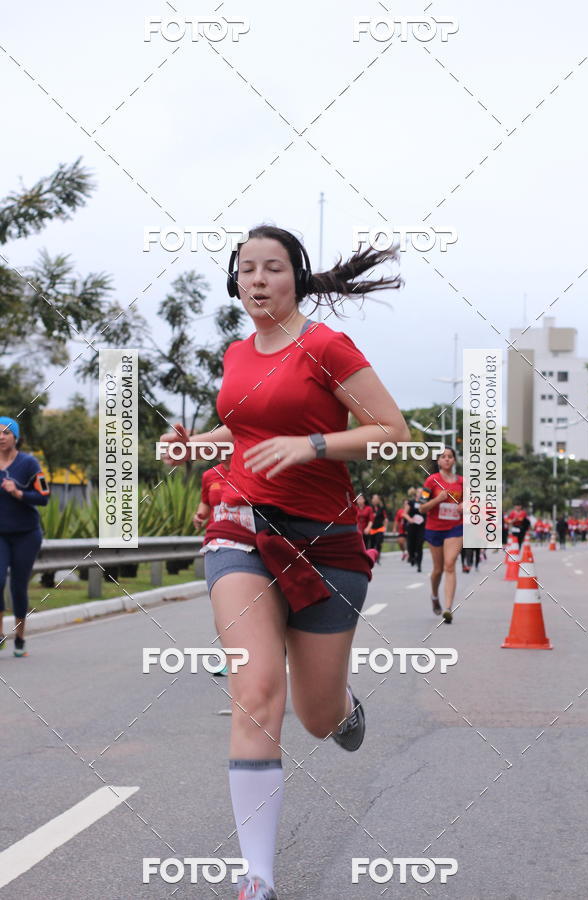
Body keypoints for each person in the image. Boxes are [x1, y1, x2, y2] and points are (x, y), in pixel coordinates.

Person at [159, 225, 409, 900]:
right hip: (241, 529)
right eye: (246, 270)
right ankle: (259, 877)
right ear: (235, 282)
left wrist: (315, 445)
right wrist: (197, 447)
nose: (258, 280)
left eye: (272, 268)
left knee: (315, 715)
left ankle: (341, 708)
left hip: (326, 541)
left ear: (296, 277)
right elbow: (244, 431)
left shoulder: (325, 347)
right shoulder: (236, 354)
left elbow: (393, 434)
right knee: (257, 689)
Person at [0, 417, 50, 657]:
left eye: (6, 433)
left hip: (26, 534)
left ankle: (19, 637)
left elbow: (44, 496)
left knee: (18, 586)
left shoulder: (29, 463)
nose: (1, 437)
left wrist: (18, 492)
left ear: (16, 437)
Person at [194, 456, 232, 676]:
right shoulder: (209, 475)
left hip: (248, 544)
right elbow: (206, 505)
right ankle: (230, 658)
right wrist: (199, 516)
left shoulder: (251, 470)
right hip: (216, 545)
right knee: (221, 607)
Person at [419, 447, 463, 623]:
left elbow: (473, 503)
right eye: (443, 457)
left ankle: (448, 608)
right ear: (438, 461)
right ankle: (435, 596)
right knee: (438, 570)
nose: (447, 459)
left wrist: (464, 506)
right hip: (435, 527)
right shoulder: (431, 481)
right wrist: (438, 499)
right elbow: (421, 507)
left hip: (455, 527)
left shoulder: (462, 482)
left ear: (454, 461)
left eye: (450, 457)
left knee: (450, 564)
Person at [404, 487, 426, 572]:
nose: (420, 494)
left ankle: (419, 565)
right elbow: (404, 514)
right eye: (419, 492)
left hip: (421, 526)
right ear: (416, 493)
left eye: (422, 492)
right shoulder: (411, 502)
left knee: (419, 544)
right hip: (412, 526)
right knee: (411, 545)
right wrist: (410, 519)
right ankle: (412, 557)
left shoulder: (425, 502)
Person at [365, 493, 388, 563]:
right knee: (371, 544)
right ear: (372, 500)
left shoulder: (381, 508)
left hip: (379, 528)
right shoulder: (369, 508)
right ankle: (372, 557)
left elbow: (385, 519)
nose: (375, 500)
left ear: (378, 500)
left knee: (378, 542)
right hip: (372, 529)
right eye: (374, 499)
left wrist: (385, 528)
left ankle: (377, 556)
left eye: (376, 499)